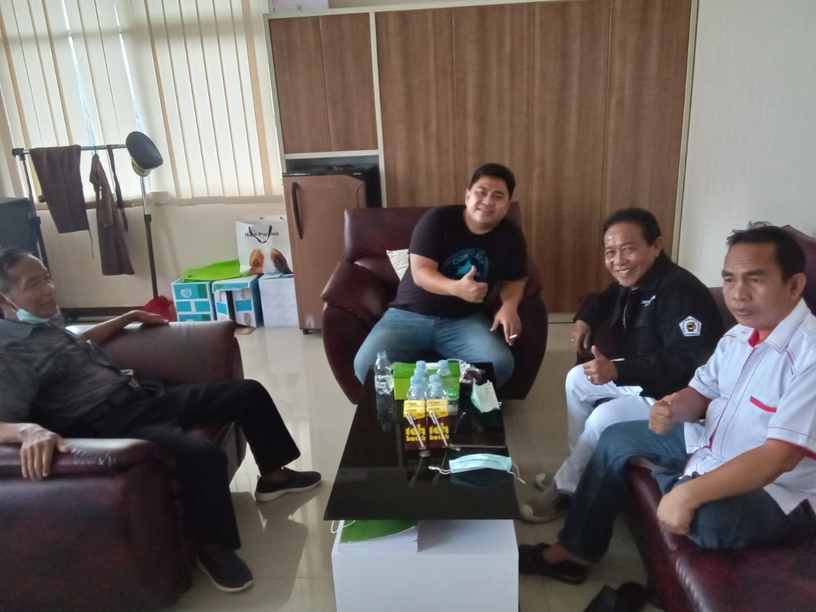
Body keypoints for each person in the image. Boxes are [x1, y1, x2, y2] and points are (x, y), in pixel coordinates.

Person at [0, 248, 321, 594]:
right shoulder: (10, 353)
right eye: (34, 284)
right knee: (201, 455)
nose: (48, 289)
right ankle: (213, 548)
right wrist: (28, 429)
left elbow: (77, 343)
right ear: (5, 298)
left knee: (247, 393)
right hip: (108, 423)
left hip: (141, 397)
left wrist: (126, 318)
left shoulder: (42, 324)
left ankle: (273, 477)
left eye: (47, 278)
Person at [519, 224, 816, 583]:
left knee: (705, 520)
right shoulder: (739, 335)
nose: (738, 294)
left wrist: (690, 492)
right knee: (615, 438)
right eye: (729, 279)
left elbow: (778, 457)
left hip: (778, 489)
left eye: (755, 279)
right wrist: (673, 408)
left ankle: (677, 479)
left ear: (794, 285)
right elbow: (701, 392)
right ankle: (575, 551)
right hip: (713, 444)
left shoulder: (809, 355)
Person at [525, 208, 722, 522]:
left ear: (656, 246)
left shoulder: (681, 292)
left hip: (675, 395)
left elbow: (686, 362)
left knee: (603, 418)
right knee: (577, 379)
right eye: (610, 252)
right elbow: (603, 297)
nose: (618, 260)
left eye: (628, 249)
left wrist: (619, 371)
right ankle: (578, 470)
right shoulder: (638, 279)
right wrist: (584, 319)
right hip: (646, 377)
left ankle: (567, 489)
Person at [353, 163, 528, 388]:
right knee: (366, 366)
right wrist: (456, 288)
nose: (487, 201)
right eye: (481, 192)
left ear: (507, 205)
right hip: (409, 314)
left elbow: (515, 279)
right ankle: (424, 394)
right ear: (468, 195)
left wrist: (509, 306)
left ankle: (444, 397)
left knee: (500, 365)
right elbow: (421, 273)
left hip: (465, 319)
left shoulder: (511, 236)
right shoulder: (438, 220)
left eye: (498, 196)